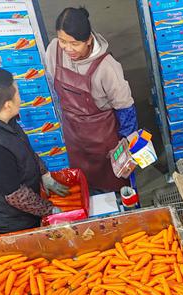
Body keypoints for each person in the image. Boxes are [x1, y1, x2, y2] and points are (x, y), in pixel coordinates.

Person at [0, 68, 70, 234]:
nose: (20, 97)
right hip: (10, 222)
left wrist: (44, 174)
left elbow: (21, 148)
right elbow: (15, 195)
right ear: (8, 104)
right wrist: (51, 210)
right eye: (17, 92)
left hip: (18, 207)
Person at [46, 7, 137, 191]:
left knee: (115, 186)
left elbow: (126, 108)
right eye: (63, 41)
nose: (67, 48)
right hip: (73, 136)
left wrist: (125, 143)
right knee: (83, 186)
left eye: (74, 43)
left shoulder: (107, 67)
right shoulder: (54, 51)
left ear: (88, 40)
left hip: (103, 139)